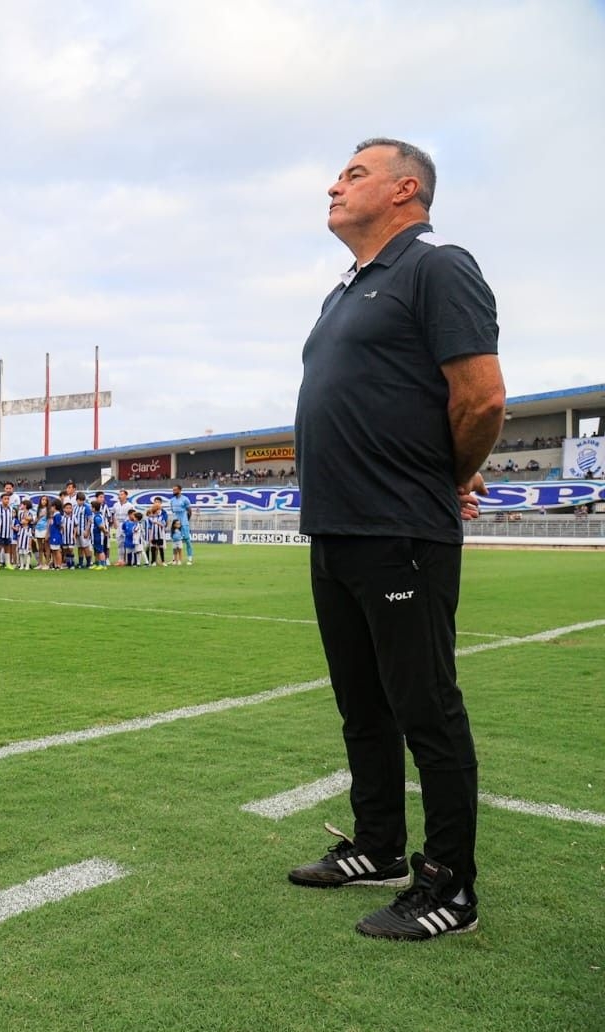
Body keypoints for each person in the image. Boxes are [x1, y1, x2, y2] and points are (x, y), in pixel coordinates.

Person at [289, 137, 504, 941]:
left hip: (399, 527)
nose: (333, 185)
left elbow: (480, 399)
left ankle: (449, 885)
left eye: (353, 174)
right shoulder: (346, 287)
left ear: (405, 189)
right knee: (361, 705)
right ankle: (377, 845)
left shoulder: (436, 264)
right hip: (336, 527)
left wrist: (447, 475)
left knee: (426, 708)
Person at [168, 485, 195, 565]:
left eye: (175, 490)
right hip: (175, 523)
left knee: (187, 540)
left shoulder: (185, 499)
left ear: (180, 490)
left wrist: (186, 520)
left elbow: (189, 511)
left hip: (184, 522)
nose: (173, 491)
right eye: (173, 490)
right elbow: (173, 511)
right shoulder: (172, 500)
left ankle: (190, 558)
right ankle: (174, 560)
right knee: (175, 541)